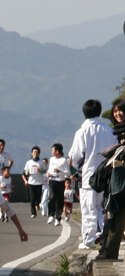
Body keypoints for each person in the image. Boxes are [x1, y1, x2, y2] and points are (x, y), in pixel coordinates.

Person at [68, 99, 115, 248]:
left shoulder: (82, 132)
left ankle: (88, 240)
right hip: (106, 174)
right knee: (101, 208)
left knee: (88, 208)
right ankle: (103, 237)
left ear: (84, 112)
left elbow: (75, 157)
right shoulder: (109, 130)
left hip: (88, 175)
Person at [98, 98, 125, 259]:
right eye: (115, 111)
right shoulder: (117, 132)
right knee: (115, 212)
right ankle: (108, 251)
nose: (118, 114)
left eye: (120, 110)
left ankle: (108, 251)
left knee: (116, 212)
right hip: (119, 179)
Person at [47, 143, 70, 227]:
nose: (51, 151)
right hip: (52, 180)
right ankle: (51, 215)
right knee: (51, 197)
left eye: (52, 150)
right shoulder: (51, 159)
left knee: (59, 200)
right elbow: (49, 169)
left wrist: (60, 171)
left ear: (57, 151)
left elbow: (68, 172)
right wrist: (48, 173)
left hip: (60, 181)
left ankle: (58, 218)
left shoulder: (63, 160)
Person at [22, 146, 46, 218]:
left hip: (39, 182)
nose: (35, 153)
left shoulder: (41, 162)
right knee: (32, 198)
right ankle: (33, 212)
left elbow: (45, 171)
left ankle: (37, 204)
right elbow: (25, 171)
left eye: (37, 152)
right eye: (34, 152)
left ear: (39, 154)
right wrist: (27, 172)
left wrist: (40, 171)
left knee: (38, 197)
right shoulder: (28, 162)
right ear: (32, 153)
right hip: (31, 182)